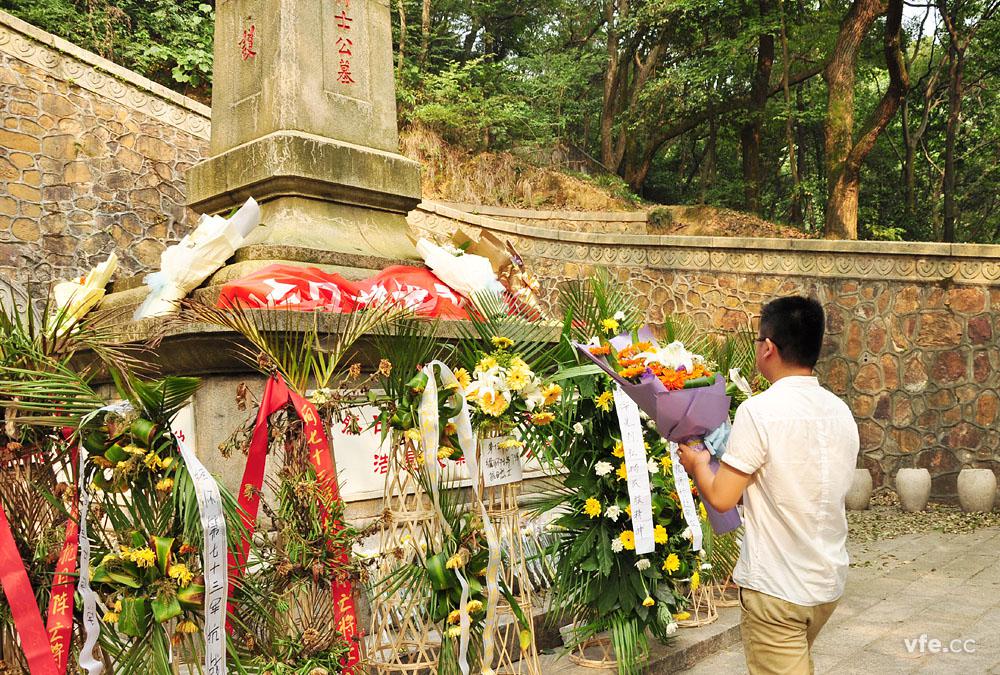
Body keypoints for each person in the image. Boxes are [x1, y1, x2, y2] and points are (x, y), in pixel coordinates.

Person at [678, 296, 859, 675]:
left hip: (778, 591)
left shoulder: (759, 412)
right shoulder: (840, 412)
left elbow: (723, 498)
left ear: (769, 348)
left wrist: (697, 462)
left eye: (758, 340)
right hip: (826, 584)